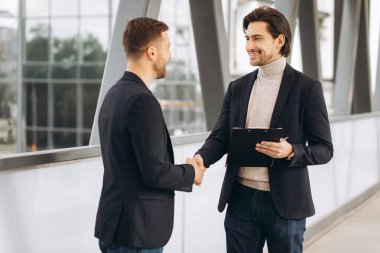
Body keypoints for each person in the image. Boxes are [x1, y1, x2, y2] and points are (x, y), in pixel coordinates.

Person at [192, 6, 333, 253]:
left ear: (280, 41)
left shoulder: (306, 88)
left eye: (257, 38)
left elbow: (325, 149)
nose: (248, 45)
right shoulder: (238, 87)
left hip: (285, 205)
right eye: (247, 38)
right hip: (240, 200)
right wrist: (200, 158)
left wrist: (291, 151)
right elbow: (220, 136)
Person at [94, 17, 205, 253]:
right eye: (168, 48)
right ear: (152, 52)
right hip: (138, 232)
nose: (171, 55)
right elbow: (155, 173)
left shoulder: (114, 94)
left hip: (114, 225)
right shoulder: (143, 101)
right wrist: (191, 172)